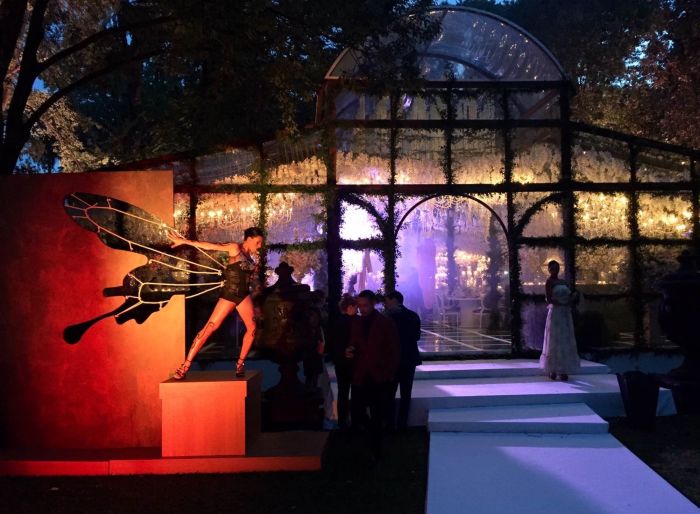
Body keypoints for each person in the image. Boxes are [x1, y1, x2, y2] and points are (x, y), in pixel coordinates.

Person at [168, 227, 265, 379]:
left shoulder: (251, 257)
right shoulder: (235, 248)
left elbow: (249, 280)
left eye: (260, 243)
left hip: (243, 296)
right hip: (230, 294)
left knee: (252, 328)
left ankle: (240, 364)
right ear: (249, 239)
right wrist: (185, 241)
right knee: (210, 327)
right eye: (258, 242)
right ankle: (185, 366)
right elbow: (210, 245)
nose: (259, 246)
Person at [347, 290, 400, 460]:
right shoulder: (357, 322)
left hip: (378, 375)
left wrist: (389, 373)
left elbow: (393, 350)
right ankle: (369, 442)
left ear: (373, 304)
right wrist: (350, 350)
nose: (362, 309)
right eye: (360, 305)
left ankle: (375, 449)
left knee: (377, 413)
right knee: (358, 411)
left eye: (365, 305)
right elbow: (355, 342)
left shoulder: (385, 323)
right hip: (362, 374)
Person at [385, 290, 422, 431]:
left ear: (393, 300)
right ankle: (402, 423)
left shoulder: (389, 317)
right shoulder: (413, 315)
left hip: (394, 360)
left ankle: (390, 423)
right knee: (406, 393)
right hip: (410, 359)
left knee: (390, 393)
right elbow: (417, 336)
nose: (386, 304)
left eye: (387, 301)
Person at [540, 260, 580, 381]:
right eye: (552, 268)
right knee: (554, 339)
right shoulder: (549, 282)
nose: (555, 270)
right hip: (556, 313)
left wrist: (572, 298)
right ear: (549, 270)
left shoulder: (563, 282)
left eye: (557, 268)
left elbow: (571, 294)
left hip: (565, 313)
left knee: (565, 339)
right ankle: (552, 369)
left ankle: (564, 369)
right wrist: (562, 303)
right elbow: (549, 299)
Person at [329, 293, 357, 430]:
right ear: (350, 307)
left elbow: (333, 343)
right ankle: (356, 419)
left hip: (340, 362)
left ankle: (342, 420)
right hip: (354, 361)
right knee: (356, 390)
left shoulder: (336, 322)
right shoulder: (355, 322)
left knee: (343, 391)